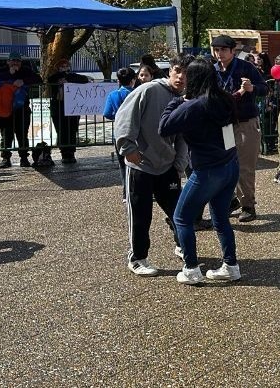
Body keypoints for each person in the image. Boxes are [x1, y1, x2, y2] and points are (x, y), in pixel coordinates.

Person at [158, 58, 242, 285]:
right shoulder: (224, 99)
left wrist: (177, 102)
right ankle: (231, 265)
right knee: (221, 218)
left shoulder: (192, 105)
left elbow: (163, 127)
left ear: (192, 79)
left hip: (207, 171)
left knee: (181, 218)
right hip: (230, 165)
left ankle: (191, 269)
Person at [114, 54, 192, 277]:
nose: (181, 77)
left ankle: (182, 244)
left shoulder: (185, 99)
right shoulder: (148, 90)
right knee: (140, 214)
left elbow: (183, 136)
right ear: (169, 71)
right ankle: (137, 257)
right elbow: (124, 118)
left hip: (167, 165)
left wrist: (179, 163)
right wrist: (128, 149)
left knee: (179, 211)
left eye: (186, 73)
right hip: (141, 166)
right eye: (177, 71)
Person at [211, 34, 268, 223]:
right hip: (225, 125)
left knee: (245, 166)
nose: (219, 54)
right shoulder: (213, 70)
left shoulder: (245, 67)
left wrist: (252, 89)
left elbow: (264, 88)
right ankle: (232, 200)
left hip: (246, 123)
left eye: (223, 50)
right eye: (216, 50)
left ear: (232, 51)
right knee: (228, 164)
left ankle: (248, 205)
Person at [0, 52, 43, 169]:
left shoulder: (25, 71)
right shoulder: (0, 70)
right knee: (6, 134)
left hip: (22, 109)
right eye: (12, 60)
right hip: (4, 108)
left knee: (22, 134)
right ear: (8, 62)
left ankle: (24, 158)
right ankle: (5, 158)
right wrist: (9, 74)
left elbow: (38, 79)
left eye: (17, 60)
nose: (15, 63)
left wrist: (23, 81)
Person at [46, 58, 91, 164]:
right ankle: (64, 153)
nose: (65, 68)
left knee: (72, 130)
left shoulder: (73, 76)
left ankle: (71, 152)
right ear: (58, 68)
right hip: (59, 108)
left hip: (72, 108)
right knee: (61, 131)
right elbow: (50, 80)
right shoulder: (54, 77)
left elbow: (84, 79)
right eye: (62, 66)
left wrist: (68, 81)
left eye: (66, 66)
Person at [103, 67, 137, 201]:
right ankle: (138, 190)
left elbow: (106, 113)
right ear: (133, 80)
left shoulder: (113, 95)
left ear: (118, 80)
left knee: (122, 164)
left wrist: (117, 116)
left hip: (119, 133)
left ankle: (126, 193)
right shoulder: (137, 93)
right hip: (136, 133)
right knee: (137, 164)